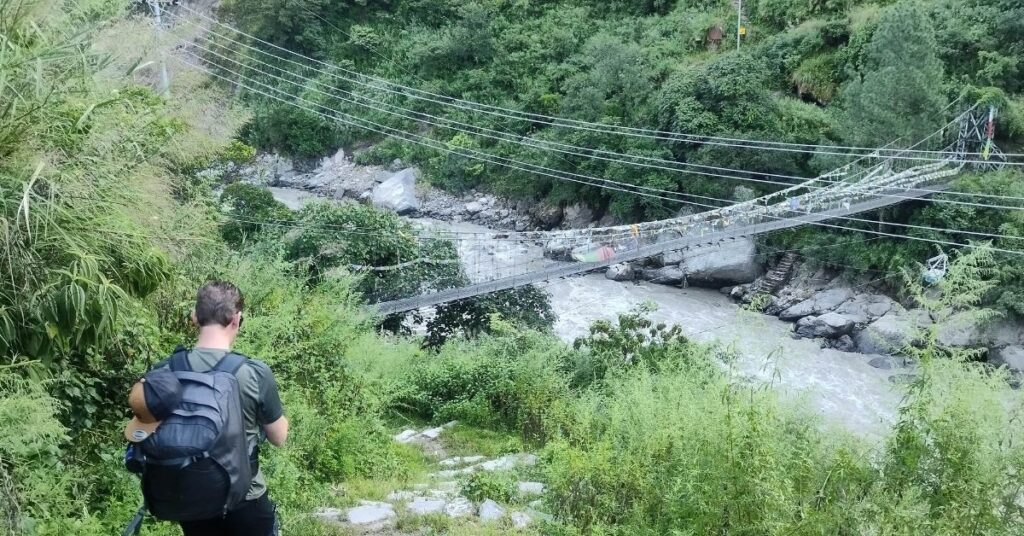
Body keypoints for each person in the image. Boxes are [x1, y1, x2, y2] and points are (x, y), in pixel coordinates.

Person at [129, 280, 289, 536]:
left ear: (194, 317)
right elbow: (279, 437)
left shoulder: (162, 371)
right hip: (245, 499)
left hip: (191, 498)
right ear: (237, 319)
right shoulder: (253, 372)